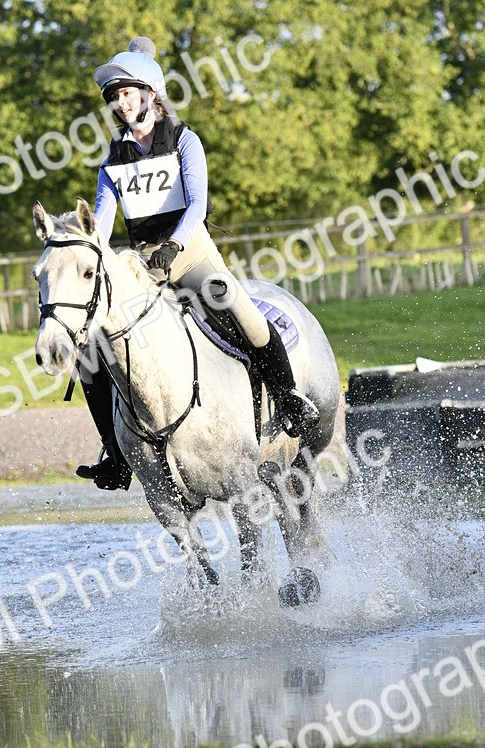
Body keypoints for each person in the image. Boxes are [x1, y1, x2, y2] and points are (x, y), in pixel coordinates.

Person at [75, 36, 320, 491]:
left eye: (127, 93)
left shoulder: (185, 140)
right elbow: (102, 224)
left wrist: (174, 246)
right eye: (115, 97)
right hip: (141, 268)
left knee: (237, 306)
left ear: (150, 94)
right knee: (92, 351)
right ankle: (115, 452)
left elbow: (197, 204)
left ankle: (288, 399)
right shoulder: (112, 161)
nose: (120, 103)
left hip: (190, 254)